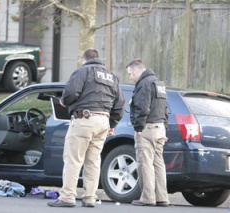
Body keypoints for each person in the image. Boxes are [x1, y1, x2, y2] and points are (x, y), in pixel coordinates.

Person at [47, 48, 125, 208]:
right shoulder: (112, 76)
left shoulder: (82, 71)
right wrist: (112, 124)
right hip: (103, 121)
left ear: (84, 59)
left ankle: (67, 197)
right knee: (94, 161)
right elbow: (120, 104)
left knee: (73, 159)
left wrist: (64, 101)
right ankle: (90, 197)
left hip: (84, 119)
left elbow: (70, 93)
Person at [126, 59, 169, 207]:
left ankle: (148, 198)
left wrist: (138, 128)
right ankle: (162, 197)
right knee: (158, 164)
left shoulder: (144, 83)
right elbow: (165, 109)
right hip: (160, 128)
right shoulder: (159, 83)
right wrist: (165, 127)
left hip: (147, 128)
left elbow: (142, 108)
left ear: (137, 71)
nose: (130, 77)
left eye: (131, 74)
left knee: (145, 163)